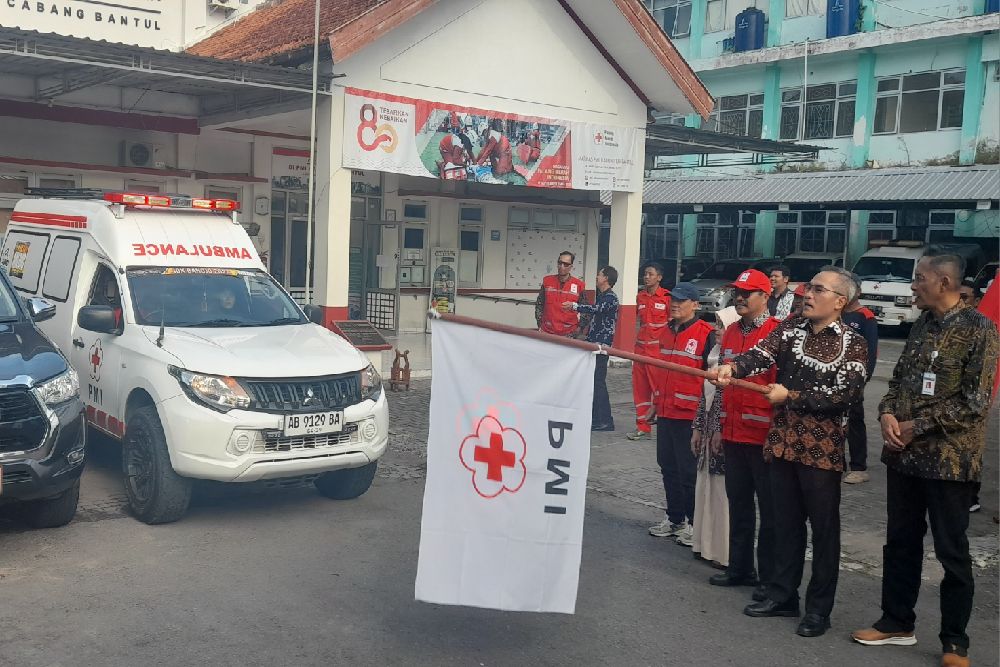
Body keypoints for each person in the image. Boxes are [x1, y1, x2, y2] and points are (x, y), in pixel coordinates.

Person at [852, 251, 998, 667]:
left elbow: (975, 402)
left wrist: (916, 425)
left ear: (944, 283)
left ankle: (955, 641)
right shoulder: (922, 325)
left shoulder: (981, 329)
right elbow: (899, 379)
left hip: (949, 462)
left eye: (920, 278)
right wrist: (886, 413)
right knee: (900, 543)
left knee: (952, 552)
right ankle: (896, 622)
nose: (913, 285)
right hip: (904, 458)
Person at [714, 267, 868, 638]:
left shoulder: (853, 341)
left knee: (824, 532)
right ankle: (783, 596)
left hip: (821, 452)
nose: (808, 294)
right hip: (782, 443)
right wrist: (732, 367)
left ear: (840, 301)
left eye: (818, 290)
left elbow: (846, 395)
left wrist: (792, 396)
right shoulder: (791, 328)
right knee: (785, 524)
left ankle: (818, 610)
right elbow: (759, 356)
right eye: (808, 288)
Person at [708, 270, 781, 605]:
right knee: (738, 504)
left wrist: (775, 436)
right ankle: (739, 568)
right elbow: (723, 388)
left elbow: (780, 390)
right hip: (734, 433)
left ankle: (769, 579)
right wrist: (718, 428)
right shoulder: (733, 331)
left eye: (747, 293)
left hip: (762, 436)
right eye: (737, 292)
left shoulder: (776, 332)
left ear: (765, 296)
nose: (739, 298)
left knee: (770, 512)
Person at [648, 282, 716, 547]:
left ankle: (693, 522)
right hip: (666, 411)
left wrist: (705, 417)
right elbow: (660, 372)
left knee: (689, 471)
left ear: (695, 305)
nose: (674, 304)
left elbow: (710, 381)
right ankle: (674, 518)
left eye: (681, 300)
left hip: (689, 416)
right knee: (667, 466)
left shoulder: (705, 334)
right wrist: (655, 401)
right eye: (673, 300)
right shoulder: (666, 331)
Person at [691, 305, 739, 566]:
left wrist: (719, 428)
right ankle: (703, 545)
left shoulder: (736, 364)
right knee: (705, 486)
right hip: (708, 428)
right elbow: (704, 397)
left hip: (722, 431)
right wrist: (698, 428)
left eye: (722, 326)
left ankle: (722, 552)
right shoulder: (713, 357)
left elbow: (727, 400)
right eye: (717, 325)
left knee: (721, 492)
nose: (717, 330)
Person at [564, 266, 619, 432]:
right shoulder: (602, 296)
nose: (596, 277)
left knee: (598, 383)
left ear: (606, 278)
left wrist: (575, 306)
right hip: (594, 344)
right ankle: (596, 418)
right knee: (593, 382)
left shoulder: (610, 298)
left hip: (602, 346)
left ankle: (605, 420)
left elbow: (596, 310)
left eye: (599, 275)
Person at [841, 274, 879, 484]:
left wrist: (864, 378)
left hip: (854, 379)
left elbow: (871, 352)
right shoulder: (836, 312)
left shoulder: (866, 316)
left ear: (858, 292)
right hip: (833, 377)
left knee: (854, 421)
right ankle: (838, 463)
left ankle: (859, 466)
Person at [627, 263, 671, 441]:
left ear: (659, 277)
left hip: (657, 353)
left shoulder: (667, 298)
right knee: (640, 391)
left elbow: (672, 326)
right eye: (645, 274)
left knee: (659, 391)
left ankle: (665, 427)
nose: (646, 277)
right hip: (640, 351)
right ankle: (643, 427)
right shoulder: (640, 297)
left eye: (650, 274)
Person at [535, 251, 586, 337]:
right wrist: (539, 325)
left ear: (571, 267)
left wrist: (579, 329)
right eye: (560, 263)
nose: (562, 266)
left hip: (569, 334)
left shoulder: (579, 285)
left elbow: (585, 309)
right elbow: (539, 304)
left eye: (566, 264)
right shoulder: (547, 281)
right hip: (547, 332)